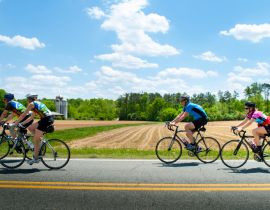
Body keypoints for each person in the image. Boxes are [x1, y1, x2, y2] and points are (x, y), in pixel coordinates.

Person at [14, 93, 54, 165]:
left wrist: (16, 123)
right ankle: (39, 142)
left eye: (27, 99)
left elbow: (23, 115)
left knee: (35, 140)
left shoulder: (31, 104)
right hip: (47, 118)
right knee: (30, 127)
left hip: (46, 119)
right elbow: (31, 118)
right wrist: (21, 124)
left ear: (29, 99)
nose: (27, 101)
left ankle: (35, 158)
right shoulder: (36, 104)